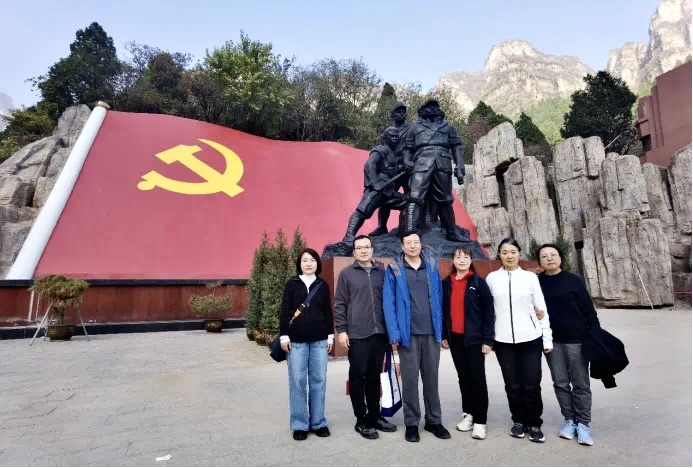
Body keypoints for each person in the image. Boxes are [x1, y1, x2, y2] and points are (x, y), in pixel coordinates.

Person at [383, 230, 451, 443]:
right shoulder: (394, 269)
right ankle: (412, 423)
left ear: (421, 245)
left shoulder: (431, 266)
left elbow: (439, 297)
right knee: (410, 381)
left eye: (416, 242)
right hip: (408, 334)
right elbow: (388, 302)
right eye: (408, 243)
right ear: (402, 247)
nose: (413, 246)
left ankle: (434, 420)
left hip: (431, 332)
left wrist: (442, 330)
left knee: (432, 379)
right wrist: (394, 333)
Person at [486, 238, 553, 443]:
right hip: (503, 340)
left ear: (519, 253)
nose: (509, 256)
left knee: (531, 384)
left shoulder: (530, 278)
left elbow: (541, 308)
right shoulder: (492, 279)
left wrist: (547, 338)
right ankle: (518, 420)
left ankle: (534, 423)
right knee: (512, 385)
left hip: (530, 338)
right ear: (499, 255)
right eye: (505, 252)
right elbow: (488, 310)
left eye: (513, 251)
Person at [334, 234, 398, 439]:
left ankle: (375, 415)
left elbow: (391, 300)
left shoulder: (383, 272)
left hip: (380, 333)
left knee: (374, 376)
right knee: (357, 377)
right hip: (357, 333)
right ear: (354, 252)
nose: (363, 250)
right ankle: (361, 419)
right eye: (359, 248)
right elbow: (340, 303)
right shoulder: (346, 274)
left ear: (372, 249)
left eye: (367, 247)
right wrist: (342, 330)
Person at [537, 243, 599, 446]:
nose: (549, 258)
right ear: (540, 261)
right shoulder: (537, 282)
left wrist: (595, 333)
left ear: (560, 258)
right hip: (551, 342)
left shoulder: (573, 280)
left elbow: (588, 310)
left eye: (553, 254)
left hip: (577, 340)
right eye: (544, 256)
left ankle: (584, 424)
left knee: (580, 383)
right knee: (561, 383)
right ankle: (570, 420)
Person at [279, 248, 335, 441]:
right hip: (296, 342)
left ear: (317, 263)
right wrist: (284, 336)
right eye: (304, 260)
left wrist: (330, 336)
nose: (308, 263)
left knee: (319, 380)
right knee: (297, 381)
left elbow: (328, 311)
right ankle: (299, 424)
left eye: (312, 260)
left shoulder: (322, 285)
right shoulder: (292, 284)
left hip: (319, 341)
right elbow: (285, 310)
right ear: (299, 264)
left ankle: (318, 422)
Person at [441, 246, 494, 440]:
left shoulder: (478, 283)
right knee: (463, 377)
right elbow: (443, 311)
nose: (462, 260)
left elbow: (489, 313)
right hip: (455, 338)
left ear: (471, 260)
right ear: (453, 260)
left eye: (465, 256)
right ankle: (468, 414)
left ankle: (480, 421)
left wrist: (487, 339)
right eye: (458, 257)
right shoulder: (446, 283)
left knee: (477, 379)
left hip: (474, 339)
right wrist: (444, 335)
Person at [401, 100, 465, 241]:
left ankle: (452, 232)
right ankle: (410, 233)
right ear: (422, 111)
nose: (431, 109)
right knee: (414, 197)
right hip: (421, 162)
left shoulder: (449, 127)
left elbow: (457, 147)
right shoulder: (414, 127)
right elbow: (407, 148)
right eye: (428, 107)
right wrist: (406, 161)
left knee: (446, 199)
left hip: (443, 162)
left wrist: (460, 166)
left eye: (434, 106)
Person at [342, 127, 407, 243]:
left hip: (389, 189)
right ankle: (349, 235)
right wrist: (373, 183)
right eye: (392, 136)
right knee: (364, 210)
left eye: (397, 136)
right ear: (385, 138)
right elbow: (369, 165)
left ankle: (389, 228)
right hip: (379, 186)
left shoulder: (397, 154)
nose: (395, 138)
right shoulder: (380, 149)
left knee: (407, 202)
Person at [370, 103, 410, 237]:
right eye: (398, 111)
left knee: (410, 198)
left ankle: (408, 226)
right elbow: (383, 148)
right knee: (385, 196)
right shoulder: (387, 131)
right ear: (392, 115)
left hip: (407, 170)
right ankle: (382, 226)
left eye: (403, 111)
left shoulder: (411, 129)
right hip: (392, 171)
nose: (401, 114)